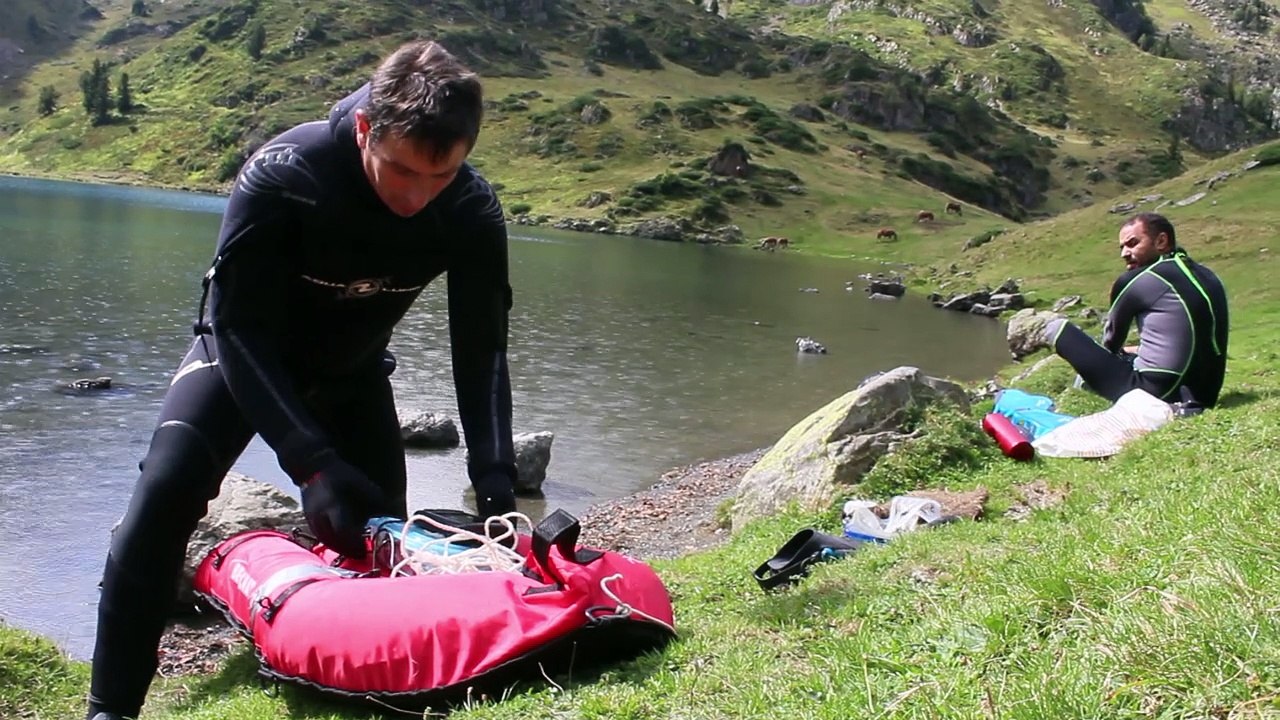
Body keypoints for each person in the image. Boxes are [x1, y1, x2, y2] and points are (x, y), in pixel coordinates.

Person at [86, 40, 518, 720]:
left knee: (378, 537)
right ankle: (110, 709)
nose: (415, 197)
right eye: (401, 170)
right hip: (244, 364)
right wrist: (310, 462)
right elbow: (232, 326)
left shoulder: (469, 208)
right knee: (163, 499)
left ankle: (359, 685)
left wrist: (495, 480)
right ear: (366, 128)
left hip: (353, 375)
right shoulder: (289, 172)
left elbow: (482, 350)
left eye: (439, 176)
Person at [1044, 212, 1229, 409]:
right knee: (1132, 354)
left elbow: (1110, 344)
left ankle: (1079, 395)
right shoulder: (1207, 275)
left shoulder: (1138, 280)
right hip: (1205, 395)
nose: (1124, 253)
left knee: (1055, 327)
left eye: (1132, 244)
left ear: (1161, 241)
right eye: (1122, 247)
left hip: (1156, 393)